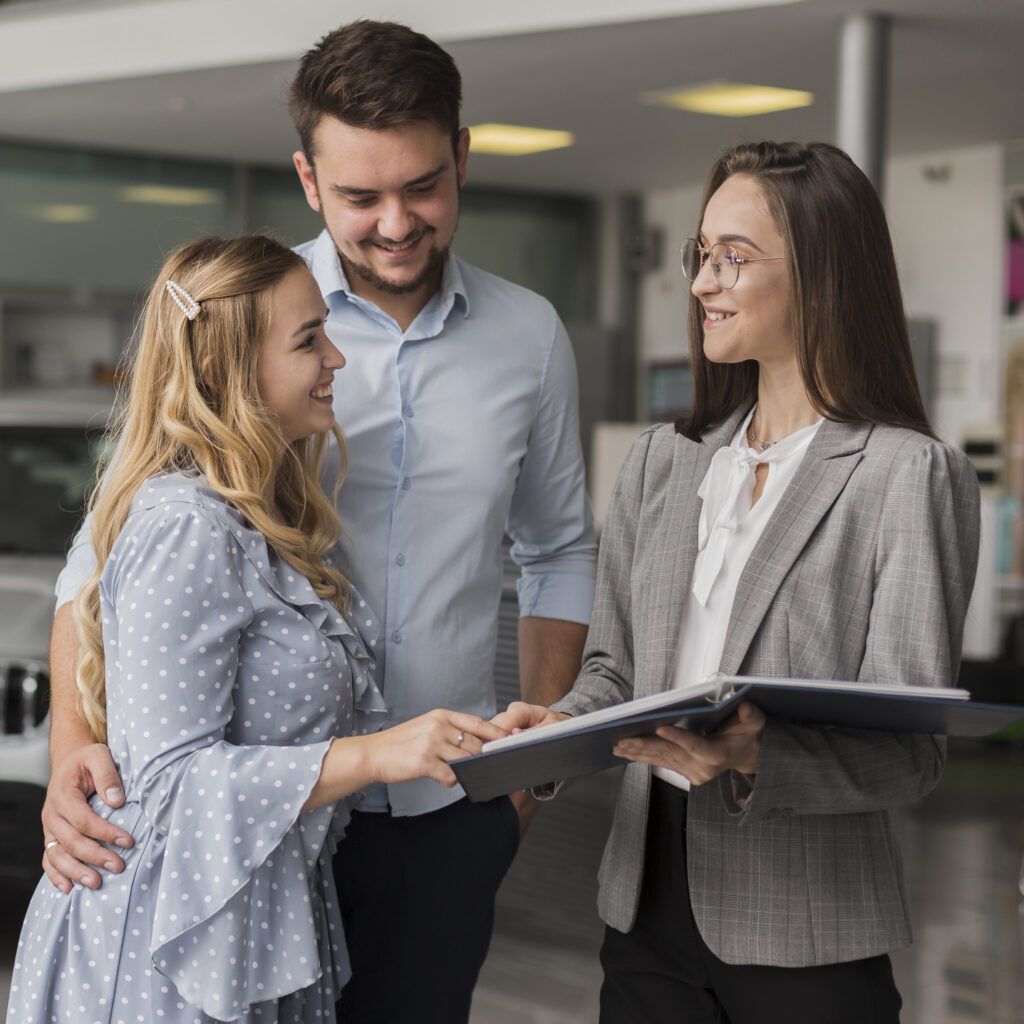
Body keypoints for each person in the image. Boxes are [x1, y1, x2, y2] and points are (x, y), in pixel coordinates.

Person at [39, 19, 597, 1024]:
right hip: (255, 833)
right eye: (358, 195)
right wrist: (72, 750)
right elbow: (99, 560)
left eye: (421, 186)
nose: (394, 221)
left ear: (463, 157)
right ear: (306, 176)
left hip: (446, 817)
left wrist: (528, 780)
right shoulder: (244, 314)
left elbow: (557, 551)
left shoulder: (531, 337)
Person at [496, 141, 981, 1024]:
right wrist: (551, 725)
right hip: (643, 913)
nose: (701, 283)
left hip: (808, 929)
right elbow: (617, 672)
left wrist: (754, 755)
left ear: (824, 275)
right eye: (701, 254)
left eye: (735, 258)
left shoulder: (907, 477)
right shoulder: (662, 464)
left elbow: (913, 751)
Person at [8, 234, 507, 1023]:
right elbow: (170, 790)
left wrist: (474, 741)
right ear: (223, 371)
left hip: (248, 923)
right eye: (309, 339)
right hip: (166, 946)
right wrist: (376, 755)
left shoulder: (261, 522)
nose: (336, 359)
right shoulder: (185, 526)